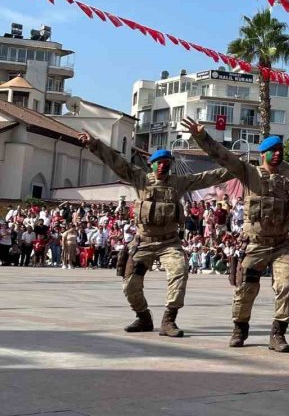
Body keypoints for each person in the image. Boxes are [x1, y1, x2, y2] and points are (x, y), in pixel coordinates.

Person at [183, 117, 289, 352]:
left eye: (280, 150)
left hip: (282, 245)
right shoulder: (249, 173)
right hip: (255, 244)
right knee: (245, 288)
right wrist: (201, 137)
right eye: (272, 151)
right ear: (263, 153)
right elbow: (222, 155)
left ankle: (278, 332)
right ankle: (240, 327)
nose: (277, 154)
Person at [79, 131, 232, 336]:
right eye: (158, 162)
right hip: (143, 242)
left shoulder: (178, 183)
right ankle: (143, 317)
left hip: (169, 243)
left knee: (179, 271)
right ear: (151, 164)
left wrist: (237, 168)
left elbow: (207, 177)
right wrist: (94, 144)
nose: (163, 166)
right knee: (130, 284)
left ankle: (169, 320)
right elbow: (116, 162)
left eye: (167, 162)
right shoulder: (140, 179)